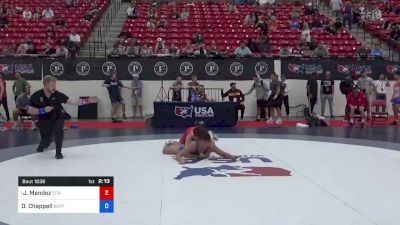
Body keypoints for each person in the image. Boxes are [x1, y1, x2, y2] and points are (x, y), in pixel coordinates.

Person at [28, 75, 97, 159]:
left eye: (55, 85)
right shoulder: (37, 95)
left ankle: (58, 153)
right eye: (52, 85)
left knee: (59, 130)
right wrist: (43, 110)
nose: (54, 87)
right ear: (46, 84)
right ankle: (41, 146)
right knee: (46, 141)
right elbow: (30, 110)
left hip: (57, 117)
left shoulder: (58, 94)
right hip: (44, 121)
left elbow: (73, 102)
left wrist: (87, 101)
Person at [162, 126, 239, 164]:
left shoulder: (211, 145)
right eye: (205, 142)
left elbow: (223, 154)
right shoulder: (192, 142)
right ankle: (172, 142)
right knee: (167, 150)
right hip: (189, 141)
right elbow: (182, 154)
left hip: (198, 139)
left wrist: (232, 156)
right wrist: (182, 160)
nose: (206, 144)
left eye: (208, 142)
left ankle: (177, 143)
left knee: (210, 147)